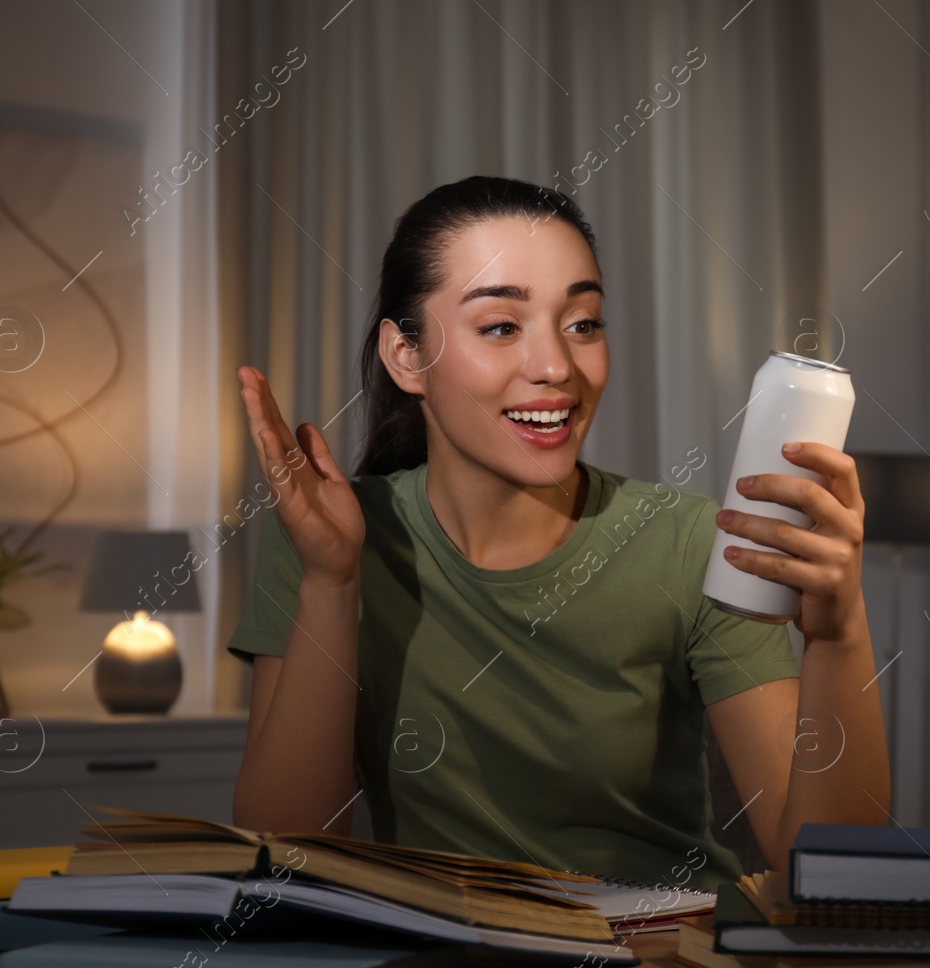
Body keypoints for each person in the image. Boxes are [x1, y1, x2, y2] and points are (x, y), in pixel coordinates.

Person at [226, 175, 889, 891]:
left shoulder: (692, 543)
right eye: (502, 326)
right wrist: (332, 581)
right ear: (407, 356)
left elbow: (829, 873)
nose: (557, 368)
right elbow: (285, 857)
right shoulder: (328, 535)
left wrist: (840, 633)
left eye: (583, 323)